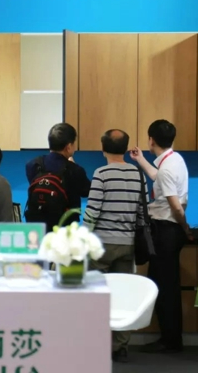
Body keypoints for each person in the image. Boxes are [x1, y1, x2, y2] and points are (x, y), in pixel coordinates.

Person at [130, 119, 191, 354]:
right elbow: (159, 177)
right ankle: (170, 338)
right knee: (164, 285)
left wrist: (185, 227)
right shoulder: (175, 160)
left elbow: (175, 206)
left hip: (166, 230)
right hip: (169, 231)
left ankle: (171, 341)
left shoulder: (167, 168)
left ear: (151, 140)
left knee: (165, 288)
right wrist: (141, 160)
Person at [84, 129, 144, 363]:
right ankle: (120, 346)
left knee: (97, 295)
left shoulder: (101, 174)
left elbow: (92, 211)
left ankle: (98, 343)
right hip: (127, 243)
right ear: (126, 148)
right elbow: (142, 212)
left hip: (102, 244)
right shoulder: (138, 175)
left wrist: (83, 237)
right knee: (123, 295)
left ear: (103, 149)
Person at [25, 123, 90, 231]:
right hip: (64, 231)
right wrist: (73, 165)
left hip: (37, 230)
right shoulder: (75, 170)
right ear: (68, 147)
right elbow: (87, 191)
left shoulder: (33, 165)